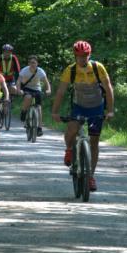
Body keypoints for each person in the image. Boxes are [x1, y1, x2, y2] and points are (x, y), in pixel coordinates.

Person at [51, 40, 114, 192]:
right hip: (79, 106)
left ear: (89, 55)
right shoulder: (70, 70)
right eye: (79, 56)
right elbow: (60, 92)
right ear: (75, 56)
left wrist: (110, 110)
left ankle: (90, 176)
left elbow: (108, 88)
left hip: (97, 107)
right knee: (71, 129)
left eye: (85, 56)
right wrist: (55, 112)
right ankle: (69, 149)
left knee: (94, 142)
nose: (82, 59)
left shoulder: (98, 67)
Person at [17, 55, 52, 137]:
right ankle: (24, 111)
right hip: (27, 88)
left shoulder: (40, 71)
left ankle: (39, 128)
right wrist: (19, 90)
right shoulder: (24, 70)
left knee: (39, 107)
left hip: (37, 89)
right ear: (28, 63)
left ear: (37, 63)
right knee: (28, 97)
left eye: (34, 62)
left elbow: (46, 82)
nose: (32, 64)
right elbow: (18, 81)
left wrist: (48, 90)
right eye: (30, 62)